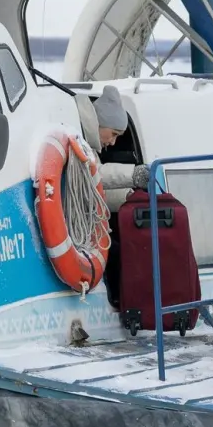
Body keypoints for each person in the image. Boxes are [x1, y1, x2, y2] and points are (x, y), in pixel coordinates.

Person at [84, 86, 149, 305]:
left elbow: (94, 194)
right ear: (100, 123)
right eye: (113, 134)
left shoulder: (89, 146)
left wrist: (126, 197)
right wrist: (134, 174)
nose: (112, 142)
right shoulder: (83, 147)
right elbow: (96, 175)